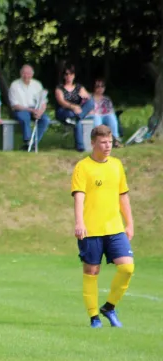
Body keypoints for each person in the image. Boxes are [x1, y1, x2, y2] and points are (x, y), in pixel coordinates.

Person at [71, 125, 135, 328]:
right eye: (103, 142)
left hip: (115, 228)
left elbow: (123, 196)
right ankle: (94, 317)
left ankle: (109, 307)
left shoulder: (116, 165)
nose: (107, 146)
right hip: (91, 229)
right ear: (93, 143)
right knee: (91, 271)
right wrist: (80, 222)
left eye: (110, 142)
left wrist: (130, 223)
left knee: (127, 267)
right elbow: (79, 196)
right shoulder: (83, 167)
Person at [9, 64, 50, 150]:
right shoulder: (14, 85)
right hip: (21, 109)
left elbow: (43, 102)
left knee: (46, 119)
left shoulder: (37, 84)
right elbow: (14, 105)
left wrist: (40, 112)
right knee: (24, 117)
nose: (26, 75)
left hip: (35, 109)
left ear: (32, 74)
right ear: (20, 73)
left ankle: (32, 144)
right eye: (24, 73)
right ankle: (28, 141)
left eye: (28, 73)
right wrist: (30, 110)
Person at [55, 64, 94, 152]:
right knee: (74, 117)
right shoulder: (59, 88)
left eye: (71, 74)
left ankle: (76, 119)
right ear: (64, 76)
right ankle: (80, 146)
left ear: (74, 75)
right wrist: (73, 107)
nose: (69, 76)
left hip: (76, 112)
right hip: (64, 111)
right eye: (66, 74)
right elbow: (61, 102)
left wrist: (85, 96)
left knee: (90, 102)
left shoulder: (79, 87)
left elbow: (88, 97)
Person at [91, 78, 122, 148]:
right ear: (94, 87)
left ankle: (115, 139)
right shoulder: (90, 98)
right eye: (98, 86)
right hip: (94, 115)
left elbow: (110, 110)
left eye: (102, 86)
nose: (100, 88)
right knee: (97, 118)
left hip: (105, 116)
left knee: (112, 117)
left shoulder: (106, 99)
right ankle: (98, 141)